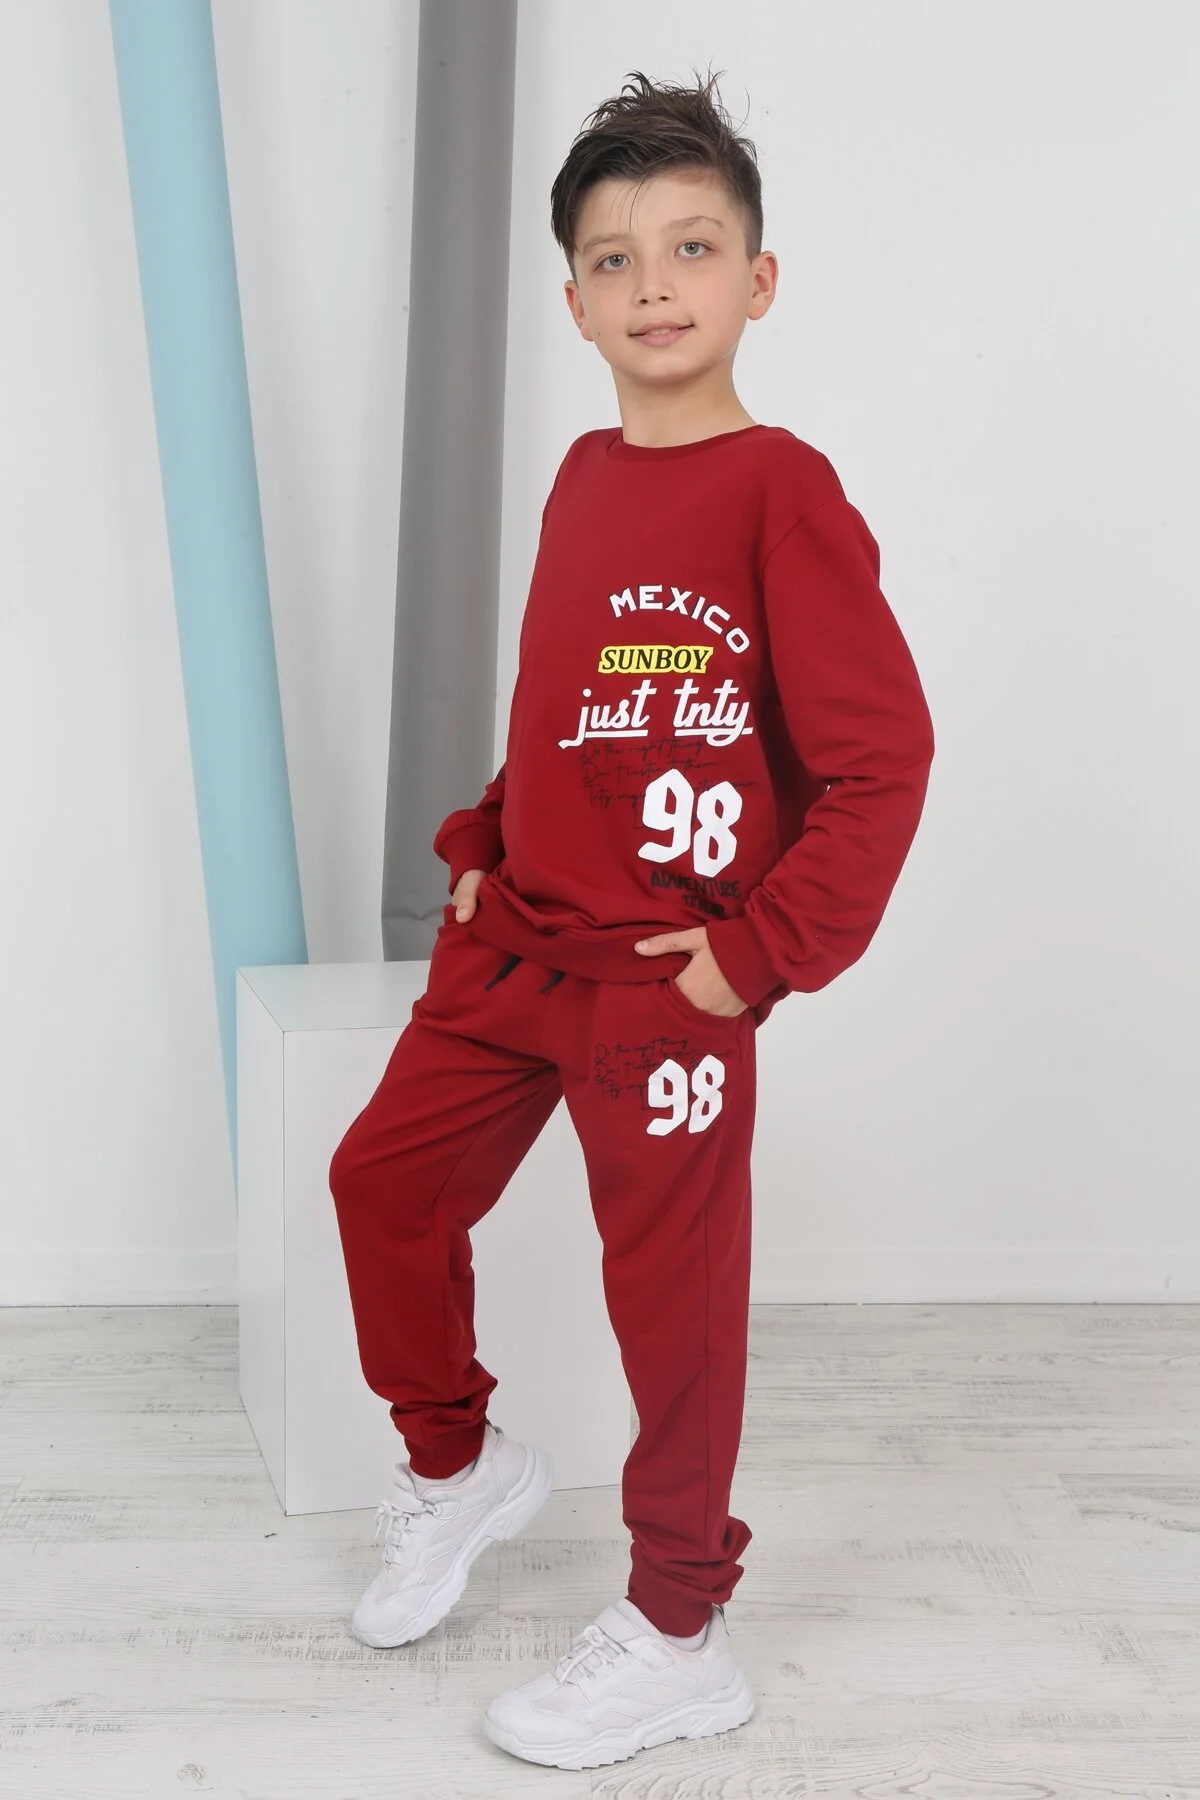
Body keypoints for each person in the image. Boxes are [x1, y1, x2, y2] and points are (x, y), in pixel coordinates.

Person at [328, 65, 935, 1772]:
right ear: (576, 302)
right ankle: (457, 1463)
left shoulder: (782, 491)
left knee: (671, 1304)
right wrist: (482, 833)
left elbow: (883, 757)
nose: (653, 283)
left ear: (759, 278)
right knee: (381, 1186)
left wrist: (757, 954)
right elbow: (569, 714)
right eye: (614, 258)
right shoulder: (584, 477)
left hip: (671, 986)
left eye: (691, 245)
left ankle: (679, 1627)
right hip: (516, 946)